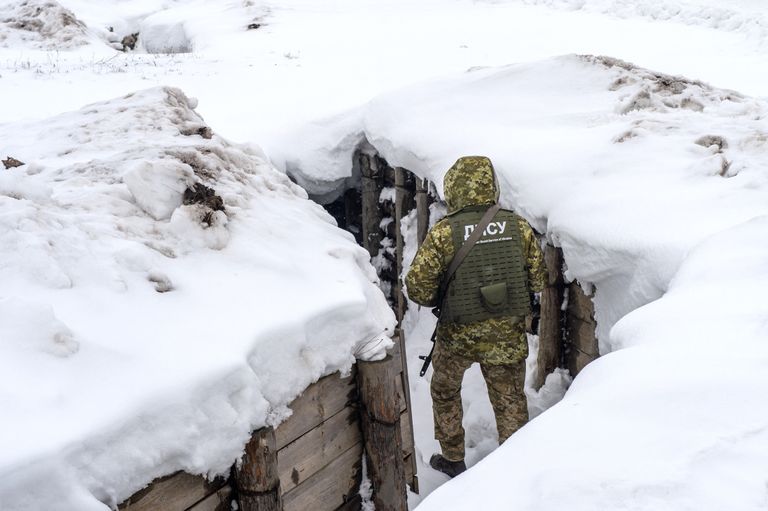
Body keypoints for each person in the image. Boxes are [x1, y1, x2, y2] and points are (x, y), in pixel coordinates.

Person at [405, 156, 546, 478]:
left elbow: (417, 288)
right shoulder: (518, 227)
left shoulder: (444, 233)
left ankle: (453, 457)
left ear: (453, 188)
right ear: (491, 186)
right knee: (509, 398)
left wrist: (443, 296)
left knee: (444, 390)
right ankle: (517, 463)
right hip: (506, 335)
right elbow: (538, 280)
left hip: (458, 335)